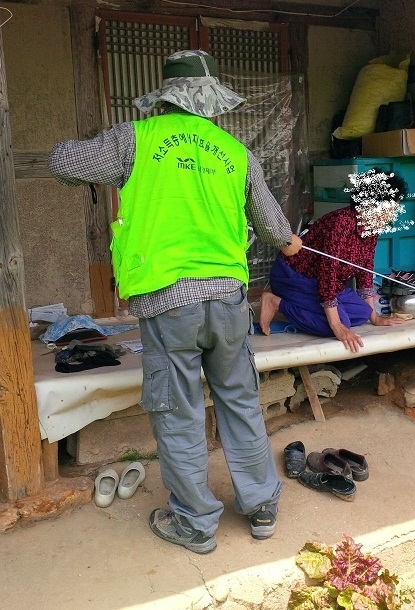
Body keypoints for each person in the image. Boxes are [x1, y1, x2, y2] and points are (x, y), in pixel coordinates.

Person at [49, 50, 302, 554]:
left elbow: (63, 163)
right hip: (228, 300)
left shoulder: (135, 139)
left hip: (169, 302)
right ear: (209, 102)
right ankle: (261, 506)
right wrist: (292, 244)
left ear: (165, 98)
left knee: (179, 412)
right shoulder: (235, 153)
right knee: (240, 400)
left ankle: (195, 522)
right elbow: (278, 231)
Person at [260, 168, 409, 353]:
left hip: (320, 282)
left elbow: (365, 271)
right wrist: (336, 325)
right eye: (391, 207)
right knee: (336, 323)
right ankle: (275, 302)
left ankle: (313, 310)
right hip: (294, 277)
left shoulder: (371, 228)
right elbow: (327, 275)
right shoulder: (341, 223)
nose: (392, 214)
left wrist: (375, 318)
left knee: (363, 313)